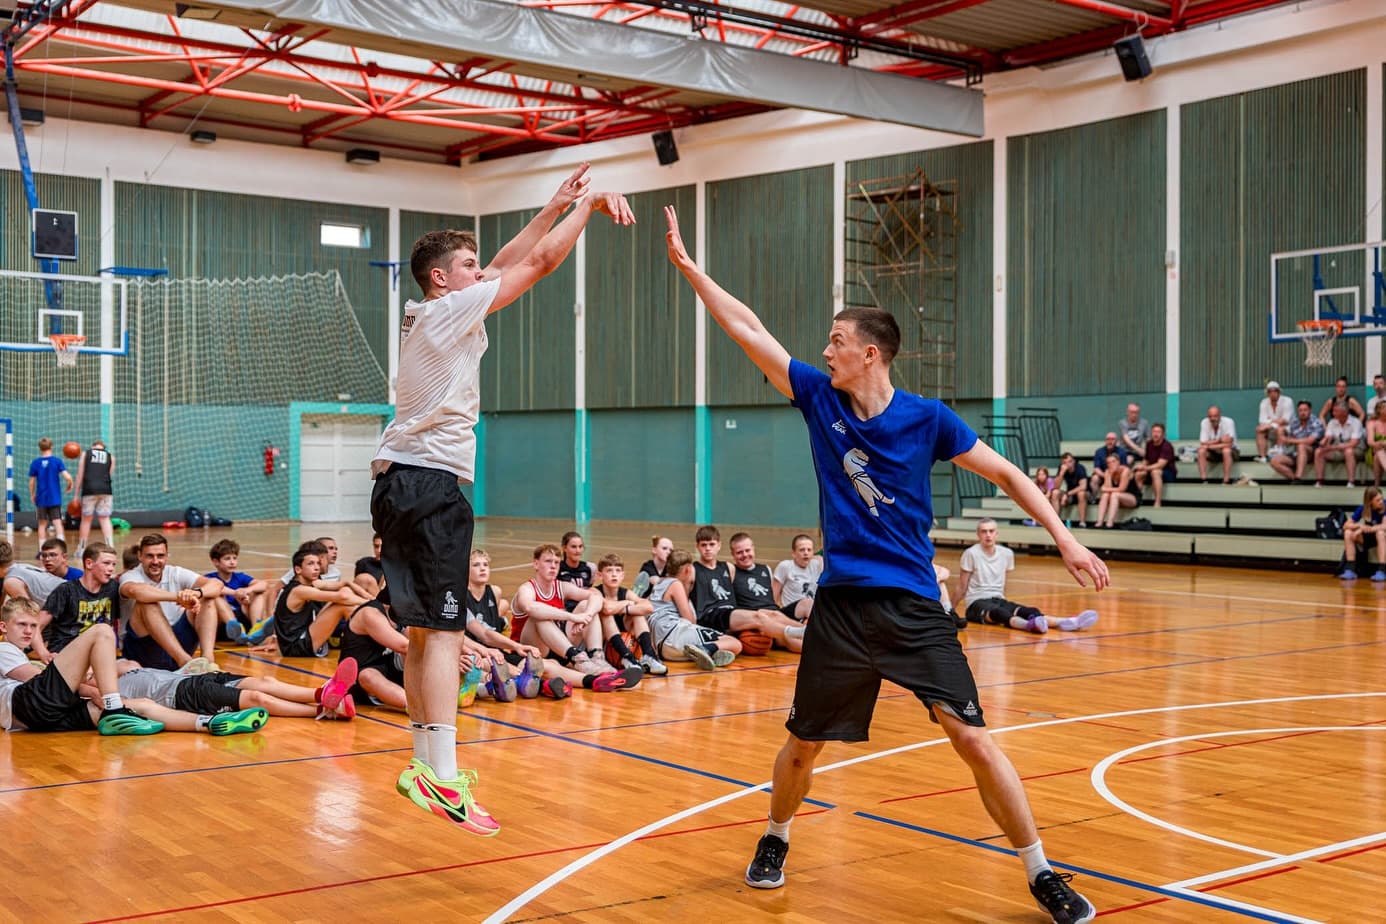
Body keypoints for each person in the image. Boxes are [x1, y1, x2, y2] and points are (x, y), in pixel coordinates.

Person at [663, 205, 1105, 921]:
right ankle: (775, 836)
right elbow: (749, 330)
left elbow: (1009, 477)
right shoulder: (818, 398)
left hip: (911, 607)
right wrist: (692, 271)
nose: (826, 350)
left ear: (872, 353)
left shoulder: (928, 419)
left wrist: (1065, 538)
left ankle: (1041, 872)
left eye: (837, 341)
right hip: (840, 607)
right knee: (803, 745)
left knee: (973, 738)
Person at [370, 164, 633, 833]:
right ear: (441, 278)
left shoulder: (426, 309)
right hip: (430, 486)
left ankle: (434, 770)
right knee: (444, 630)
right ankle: (441, 774)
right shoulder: (451, 309)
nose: (481, 269)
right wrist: (590, 206)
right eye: (468, 263)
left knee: (430, 632)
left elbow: (509, 259)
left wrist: (550, 204)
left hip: (401, 481)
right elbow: (538, 265)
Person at [0, 597, 173, 736]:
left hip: (37, 720)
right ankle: (114, 706)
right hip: (30, 707)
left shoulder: (17, 654)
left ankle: (199, 722)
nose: (29, 631)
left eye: (33, 626)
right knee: (102, 631)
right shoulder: (3, 649)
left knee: (141, 705)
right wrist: (90, 690)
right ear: (3, 627)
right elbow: (34, 677)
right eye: (22, 624)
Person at [510, 544, 641, 691]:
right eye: (548, 561)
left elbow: (596, 596)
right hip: (529, 648)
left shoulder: (561, 586)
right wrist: (572, 617)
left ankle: (597, 658)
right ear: (536, 564)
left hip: (558, 647)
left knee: (586, 604)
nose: (553, 566)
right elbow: (531, 608)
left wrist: (587, 615)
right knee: (539, 617)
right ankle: (579, 659)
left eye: (557, 562)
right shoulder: (527, 589)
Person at [959, 520, 1100, 635]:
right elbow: (962, 586)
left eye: (991, 531)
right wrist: (950, 610)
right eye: (984, 531)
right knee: (999, 613)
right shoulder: (971, 553)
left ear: (997, 534)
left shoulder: (1006, 553)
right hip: (975, 603)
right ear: (978, 534)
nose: (988, 535)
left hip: (998, 598)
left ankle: (1067, 622)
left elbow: (1003, 581)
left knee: (1030, 611)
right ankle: (1028, 626)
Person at [116, 655, 358, 720]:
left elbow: (130, 664)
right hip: (183, 696)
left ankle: (321, 693)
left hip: (195, 679)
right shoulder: (104, 691)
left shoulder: (119, 667)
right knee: (257, 698)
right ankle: (325, 711)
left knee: (266, 682)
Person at [119, 533, 225, 671]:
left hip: (176, 641)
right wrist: (178, 597)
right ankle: (186, 663)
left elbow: (217, 584)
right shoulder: (130, 576)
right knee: (146, 602)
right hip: (143, 652)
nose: (156, 561)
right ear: (140, 556)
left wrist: (195, 593)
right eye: (150, 556)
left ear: (167, 556)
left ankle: (208, 662)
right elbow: (137, 592)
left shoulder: (175, 572)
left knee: (207, 598)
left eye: (160, 556)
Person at [645, 548, 741, 670]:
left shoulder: (659, 583)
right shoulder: (675, 584)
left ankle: (710, 652)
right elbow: (689, 620)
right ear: (687, 569)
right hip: (674, 635)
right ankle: (705, 649)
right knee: (734, 643)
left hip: (663, 649)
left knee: (719, 646)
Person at [268, 548, 367, 657]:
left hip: (304, 637)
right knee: (342, 606)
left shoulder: (312, 583)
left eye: (318, 563)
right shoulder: (299, 590)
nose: (316, 567)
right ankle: (366, 647)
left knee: (345, 593)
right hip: (296, 646)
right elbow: (342, 597)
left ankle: (366, 644)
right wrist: (372, 603)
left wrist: (370, 598)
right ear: (298, 569)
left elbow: (343, 586)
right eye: (311, 564)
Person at [36, 542, 120, 662]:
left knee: (131, 666)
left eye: (113, 564)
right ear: (89, 563)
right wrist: (44, 654)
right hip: (65, 651)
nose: (111, 568)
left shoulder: (113, 587)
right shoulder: (66, 590)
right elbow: (36, 625)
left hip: (97, 653)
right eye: (106, 563)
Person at [728, 533, 806, 652]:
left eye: (747, 550)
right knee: (782, 632)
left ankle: (813, 632)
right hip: (756, 618)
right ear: (732, 554)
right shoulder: (731, 572)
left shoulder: (765, 569)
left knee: (807, 603)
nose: (745, 555)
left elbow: (772, 598)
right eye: (739, 552)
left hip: (775, 614)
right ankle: (811, 635)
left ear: (753, 549)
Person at [594, 553, 667, 675]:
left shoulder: (625, 592)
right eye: (609, 571)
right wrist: (628, 603)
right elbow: (607, 609)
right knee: (607, 615)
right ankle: (626, 656)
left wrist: (626, 608)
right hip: (603, 644)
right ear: (599, 575)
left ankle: (649, 655)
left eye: (618, 571)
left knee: (637, 614)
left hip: (623, 638)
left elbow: (649, 607)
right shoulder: (595, 592)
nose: (614, 574)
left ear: (623, 575)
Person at [207, 539, 269, 643]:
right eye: (227, 559)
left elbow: (264, 584)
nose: (232, 562)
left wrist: (246, 591)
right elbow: (214, 587)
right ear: (216, 562)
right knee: (216, 596)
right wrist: (235, 593)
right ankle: (235, 628)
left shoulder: (240, 577)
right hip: (222, 624)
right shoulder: (209, 578)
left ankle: (256, 630)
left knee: (258, 594)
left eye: (235, 558)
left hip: (242, 620)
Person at [28, 438, 73, 543]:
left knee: (42, 524)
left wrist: (32, 494)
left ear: (40, 448)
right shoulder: (57, 461)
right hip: (54, 498)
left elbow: (31, 482)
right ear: (51, 447)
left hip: (41, 498)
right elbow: (68, 477)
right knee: (57, 522)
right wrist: (70, 484)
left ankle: (41, 550)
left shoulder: (35, 463)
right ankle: (61, 549)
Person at [74, 438, 115, 550]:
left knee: (86, 519)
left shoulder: (86, 454)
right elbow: (109, 475)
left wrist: (76, 495)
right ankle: (110, 546)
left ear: (93, 446)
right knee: (105, 518)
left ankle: (81, 548)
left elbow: (80, 475)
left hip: (89, 489)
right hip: (106, 490)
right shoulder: (110, 456)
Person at [1268, 400, 1324, 483]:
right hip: (1295, 454)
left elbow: (1310, 441)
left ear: (1310, 410)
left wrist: (1290, 440)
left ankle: (1299, 476)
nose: (1303, 413)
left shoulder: (1316, 422)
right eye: (1300, 410)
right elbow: (1287, 436)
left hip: (1312, 453)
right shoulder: (1295, 423)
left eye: (1305, 410)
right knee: (1274, 461)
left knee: (1301, 446)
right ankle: (1295, 479)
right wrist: (1282, 433)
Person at [772, 534, 821, 623]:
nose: (806, 553)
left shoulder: (817, 565)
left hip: (811, 613)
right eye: (802, 550)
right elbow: (773, 597)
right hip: (792, 613)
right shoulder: (785, 566)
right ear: (793, 553)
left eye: (809, 550)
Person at [1340, 487, 1386, 581]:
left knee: (1380, 533)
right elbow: (1345, 525)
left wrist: (1366, 529)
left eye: (1381, 498)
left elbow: (1384, 526)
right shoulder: (1362, 508)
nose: (1381, 502)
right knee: (1348, 533)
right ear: (1370, 502)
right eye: (1378, 500)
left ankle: (1382, 570)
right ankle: (1350, 569)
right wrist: (1360, 526)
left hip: (1382, 537)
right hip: (1369, 537)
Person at [1314, 401, 1364, 487]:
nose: (1333, 413)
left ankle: (1351, 482)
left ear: (1344, 412)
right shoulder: (1332, 422)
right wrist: (1324, 442)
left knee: (1348, 451)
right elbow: (1328, 437)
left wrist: (1333, 447)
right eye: (1333, 411)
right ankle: (1320, 480)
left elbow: (1353, 443)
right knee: (1319, 452)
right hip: (1338, 449)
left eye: (1335, 411)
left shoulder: (1356, 422)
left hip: (1356, 449)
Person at [1131, 423, 1177, 506]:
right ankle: (1137, 498)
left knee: (1155, 472)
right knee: (1139, 473)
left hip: (1168, 472)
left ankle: (1157, 501)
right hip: (1152, 469)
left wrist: (1145, 468)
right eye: (1154, 432)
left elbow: (1160, 465)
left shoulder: (1167, 446)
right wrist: (1142, 466)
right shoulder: (1149, 444)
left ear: (1163, 434)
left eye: (1158, 432)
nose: (1155, 434)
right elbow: (1146, 459)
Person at [1094, 452, 1139, 528]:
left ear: (1118, 462)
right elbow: (1106, 490)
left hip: (1132, 498)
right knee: (1105, 495)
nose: (1111, 464)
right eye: (1108, 463)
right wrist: (1109, 475)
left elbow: (1121, 489)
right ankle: (1099, 522)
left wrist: (1105, 488)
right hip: (1116, 499)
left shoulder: (1125, 471)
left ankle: (1109, 523)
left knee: (1115, 494)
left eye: (1113, 461)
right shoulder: (1108, 471)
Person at [1196, 405, 1239, 484]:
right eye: (1210, 416)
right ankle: (1203, 479)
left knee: (1226, 451)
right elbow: (1203, 443)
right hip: (1213, 452)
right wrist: (1219, 440)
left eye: (1215, 416)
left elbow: (1229, 444)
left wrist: (1209, 445)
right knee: (1201, 451)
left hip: (1232, 451)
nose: (1212, 419)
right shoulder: (1204, 422)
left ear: (1220, 415)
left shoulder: (1229, 422)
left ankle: (1226, 480)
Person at [1255, 382, 1294, 462]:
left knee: (1280, 429)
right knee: (1259, 429)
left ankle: (1279, 457)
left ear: (1279, 392)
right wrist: (1275, 423)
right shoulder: (1264, 402)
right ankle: (1263, 457)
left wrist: (1270, 422)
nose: (1272, 393)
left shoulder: (1288, 401)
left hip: (1288, 430)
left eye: (1275, 391)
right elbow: (1262, 420)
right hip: (1271, 429)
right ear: (1267, 393)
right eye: (1270, 391)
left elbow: (1285, 420)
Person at [557, 531, 596, 610]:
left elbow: (590, 585)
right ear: (564, 548)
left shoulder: (591, 567)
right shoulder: (557, 568)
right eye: (573, 547)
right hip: (566, 611)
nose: (578, 551)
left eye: (580, 546)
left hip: (586, 608)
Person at [1049, 453, 1089, 526]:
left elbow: (1083, 486)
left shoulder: (1080, 468)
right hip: (1069, 494)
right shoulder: (1062, 469)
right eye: (1065, 462)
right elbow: (1056, 486)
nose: (1068, 464)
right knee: (1055, 492)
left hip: (1081, 493)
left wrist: (1067, 494)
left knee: (1081, 493)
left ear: (1073, 461)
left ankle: (1082, 522)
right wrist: (1061, 473)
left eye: (1070, 461)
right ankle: (1056, 522)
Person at [1088, 433, 1128, 497]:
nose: (1110, 441)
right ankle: (1093, 498)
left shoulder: (1122, 451)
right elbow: (1096, 468)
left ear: (1116, 441)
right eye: (1108, 439)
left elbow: (1124, 467)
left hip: (1117, 476)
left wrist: (1113, 475)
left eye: (1112, 439)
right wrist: (1106, 476)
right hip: (1103, 475)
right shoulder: (1099, 451)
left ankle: (1118, 496)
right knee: (1095, 478)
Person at [1367, 401, 1386, 488]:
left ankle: (1376, 485)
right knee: (1378, 452)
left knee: (1378, 455)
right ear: (1379, 410)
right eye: (1384, 407)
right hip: (1374, 450)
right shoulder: (1372, 423)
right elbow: (1370, 441)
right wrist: (1381, 443)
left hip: (1380, 451)